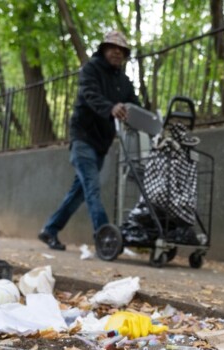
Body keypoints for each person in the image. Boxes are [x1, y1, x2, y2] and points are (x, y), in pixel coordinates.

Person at [38, 31, 140, 250]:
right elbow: (90, 95)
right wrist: (111, 108)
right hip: (83, 138)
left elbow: (135, 104)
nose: (117, 52)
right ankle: (104, 237)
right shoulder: (90, 69)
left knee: (79, 193)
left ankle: (50, 229)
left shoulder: (123, 82)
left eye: (121, 49)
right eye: (112, 47)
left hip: (101, 144)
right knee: (92, 187)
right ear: (103, 49)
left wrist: (149, 120)